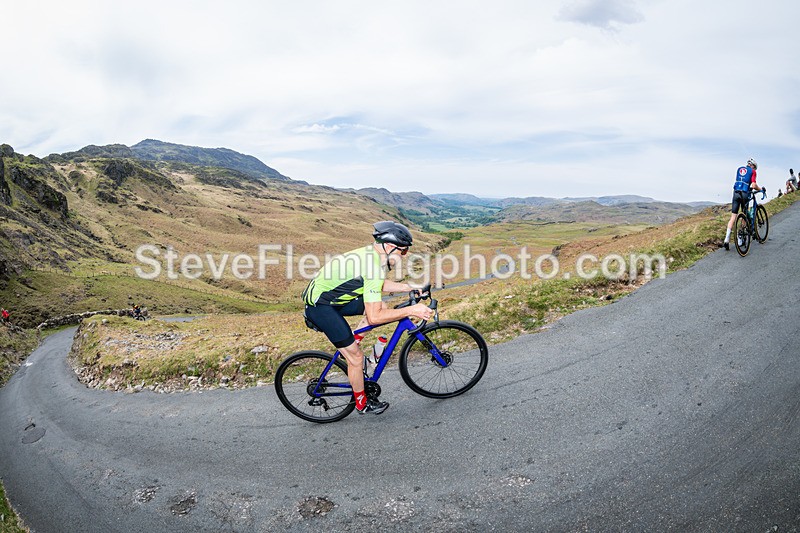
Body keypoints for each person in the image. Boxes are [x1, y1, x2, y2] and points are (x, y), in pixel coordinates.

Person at [302, 221, 433, 415]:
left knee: (382, 305)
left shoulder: (373, 256)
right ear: (389, 247)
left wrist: (409, 287)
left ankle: (353, 341)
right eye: (403, 251)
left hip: (332, 299)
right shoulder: (373, 265)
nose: (404, 256)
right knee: (355, 358)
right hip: (320, 308)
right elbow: (374, 318)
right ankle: (362, 403)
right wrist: (411, 310)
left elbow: (377, 283)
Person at [724, 158, 764, 250]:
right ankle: (740, 239)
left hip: (736, 193)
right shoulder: (753, 171)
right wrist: (760, 189)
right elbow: (753, 185)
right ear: (753, 166)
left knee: (733, 217)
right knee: (744, 215)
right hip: (744, 194)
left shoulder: (739, 169)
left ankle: (726, 239)